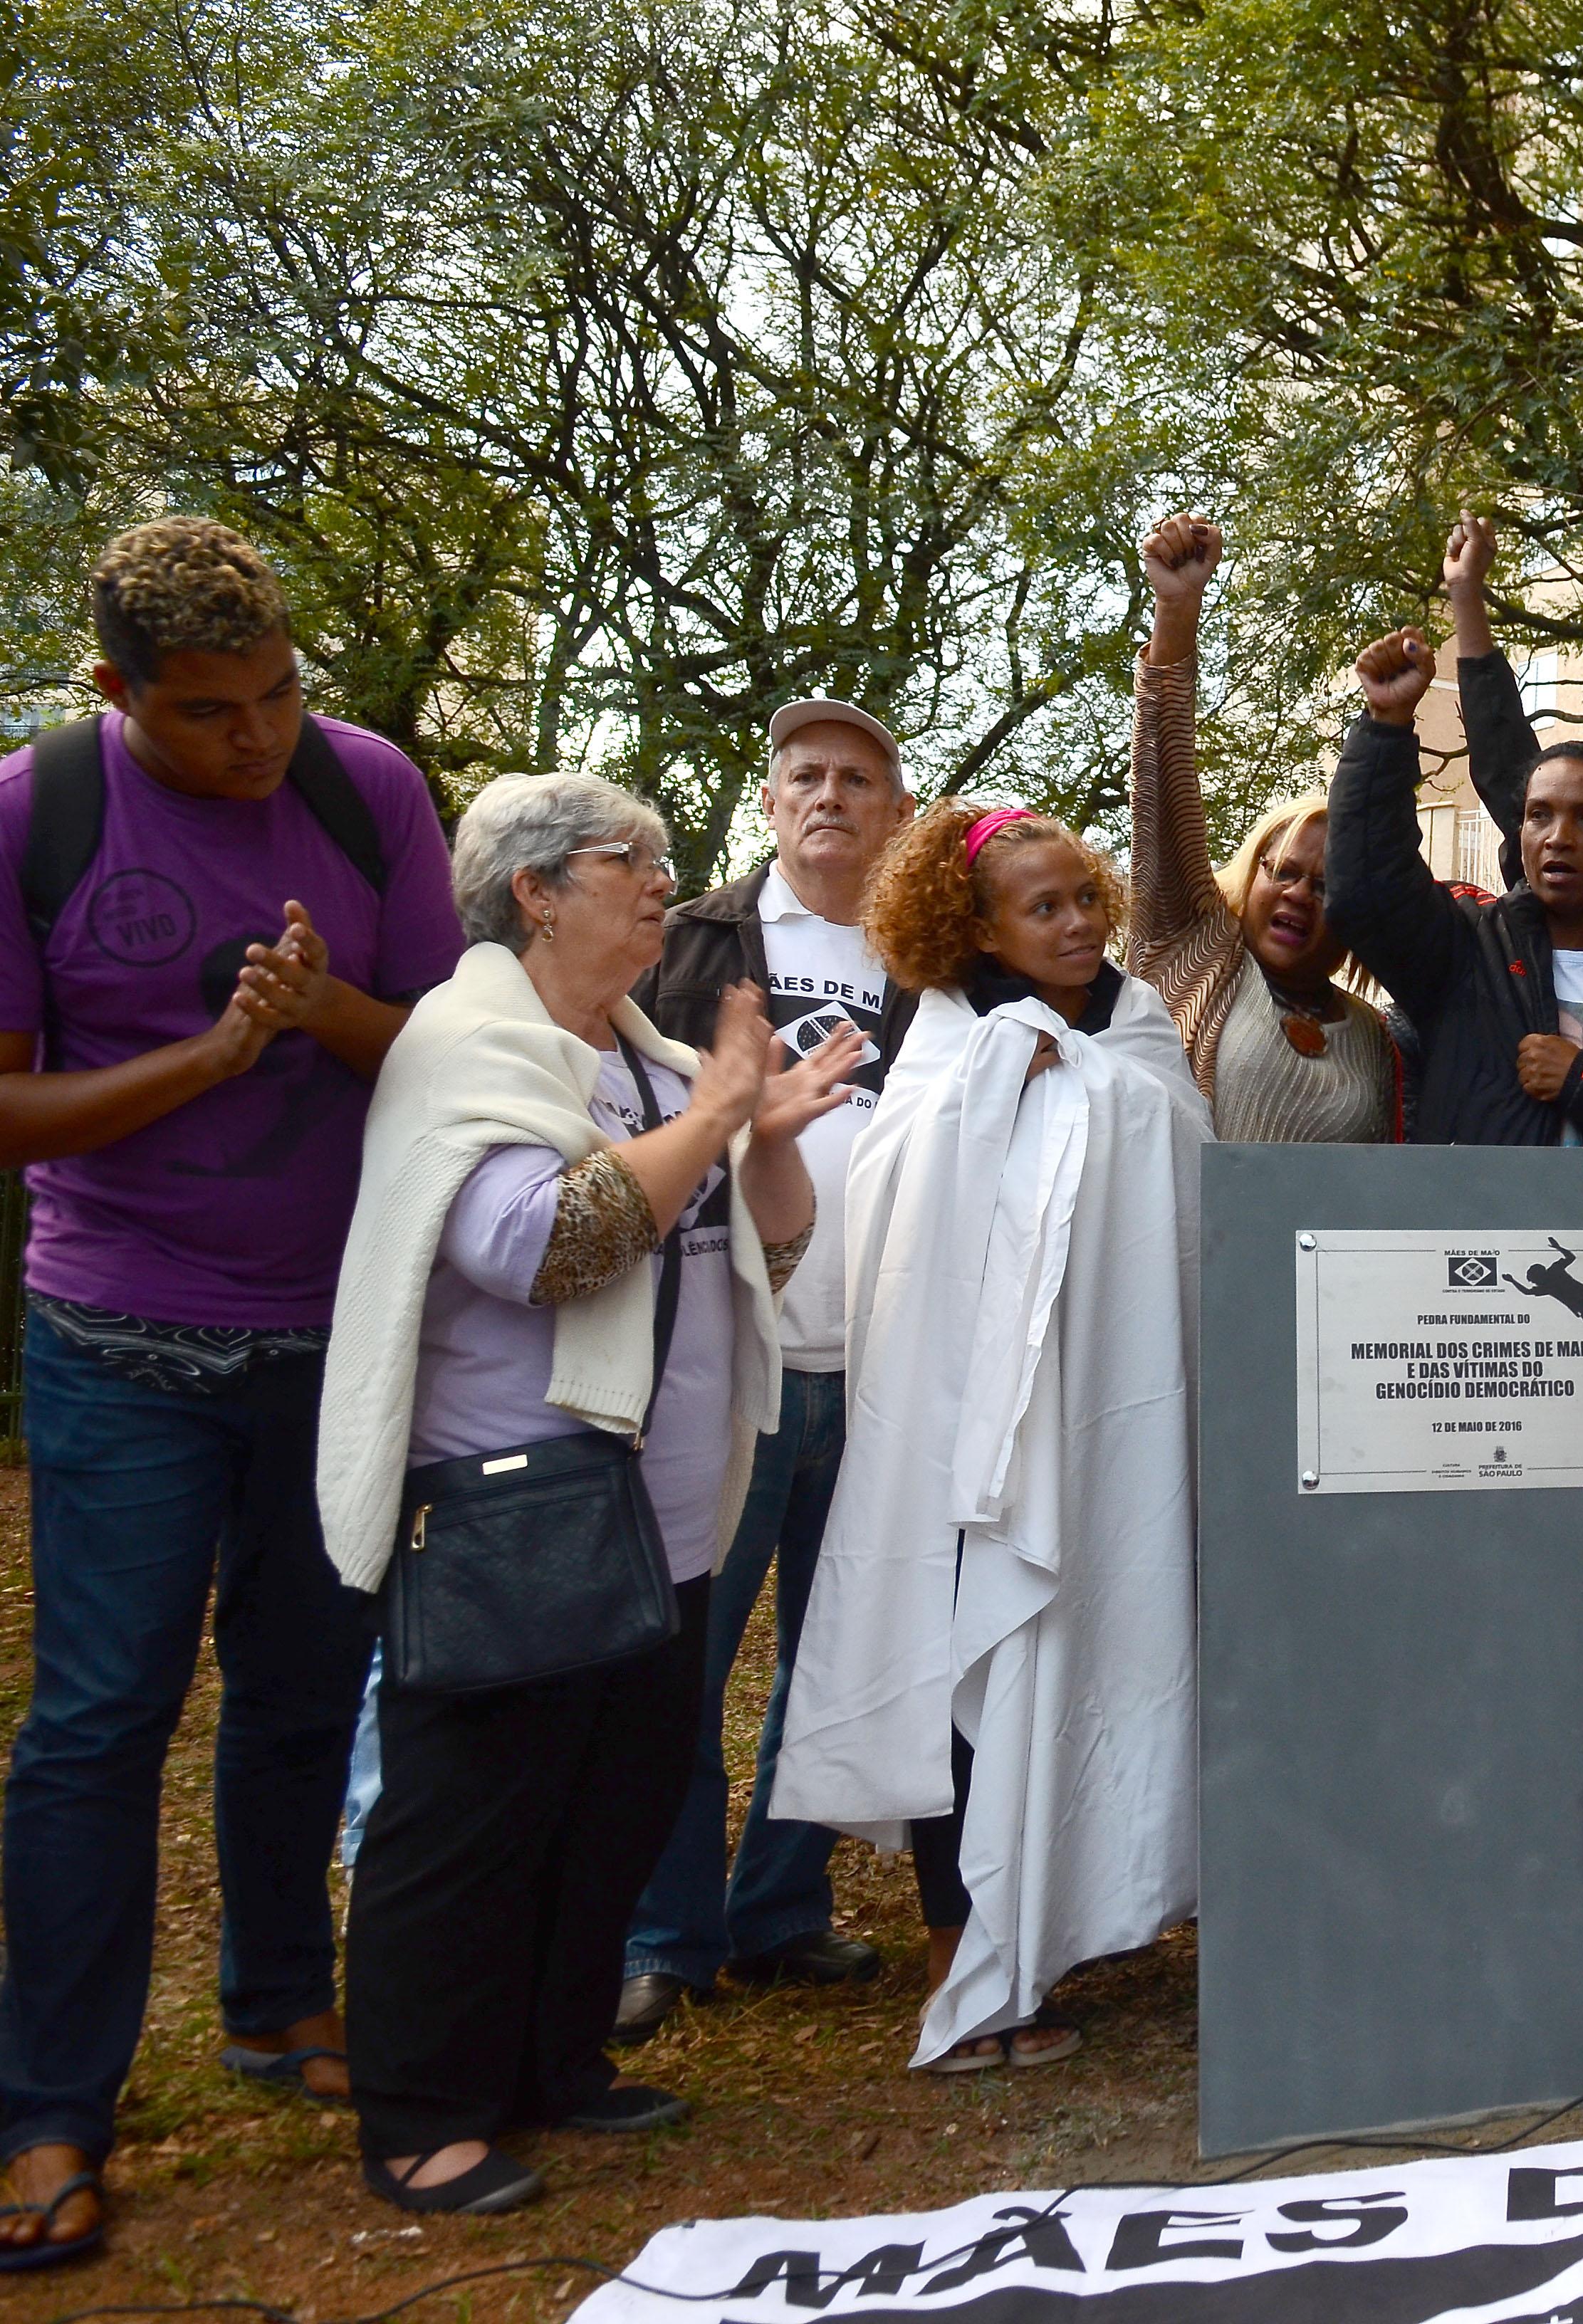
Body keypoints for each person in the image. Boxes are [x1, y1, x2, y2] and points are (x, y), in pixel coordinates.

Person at [0, 519, 465, 2271]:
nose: (256, 740)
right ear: (116, 688)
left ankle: (280, 2006)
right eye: (209, 713)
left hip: (327, 1333)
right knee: (100, 1722)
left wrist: (319, 1007)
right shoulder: (34, 812)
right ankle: (49, 2104)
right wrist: (209, 1054)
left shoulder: (366, 792)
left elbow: (443, 1044)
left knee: (297, 1697)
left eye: (277, 696)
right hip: (117, 1337)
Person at [316, 772, 855, 2213]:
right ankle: (423, 2115)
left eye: (665, 861)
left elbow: (766, 1258)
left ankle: (555, 2065)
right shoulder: (468, 1044)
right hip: (513, 1509)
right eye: (635, 862)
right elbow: (548, 1249)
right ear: (536, 889)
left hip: (666, 1521)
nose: (663, 886)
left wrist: (770, 1137)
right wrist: (723, 1113)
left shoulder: (651, 1061)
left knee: (608, 1805)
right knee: (473, 1817)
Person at [770, 799, 1207, 2073]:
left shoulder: (1134, 1023)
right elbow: (898, 1196)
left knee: (1110, 1646)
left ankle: (1090, 1898)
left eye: (1084, 896)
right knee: (979, 1654)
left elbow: (1179, 1161)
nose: (1077, 923)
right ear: (976, 924)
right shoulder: (945, 1041)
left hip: (1111, 1418)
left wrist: (1077, 1085)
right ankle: (965, 1939)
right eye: (1044, 906)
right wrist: (996, 1093)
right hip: (981, 1437)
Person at [615, 698, 915, 2044]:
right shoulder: (692, 947)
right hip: (726, 1354)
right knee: (688, 1648)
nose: (832, 796)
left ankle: (781, 1910)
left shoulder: (933, 961)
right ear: (771, 797)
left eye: (860, 778)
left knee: (832, 1648)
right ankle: (667, 1931)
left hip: (886, 1357)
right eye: (807, 775)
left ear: (896, 810)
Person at [1326, 522, 1583, 1148]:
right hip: (1484, 1243)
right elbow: (1365, 889)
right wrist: (1385, 726)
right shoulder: (1466, 945)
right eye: (1538, 815)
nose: (1558, 837)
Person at [1123, 514, 1398, 1139]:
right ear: (1253, 872)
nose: (1301, 895)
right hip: (1179, 1238)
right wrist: (1177, 609)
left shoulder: (1374, 1038)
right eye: (1288, 872)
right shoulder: (1191, 950)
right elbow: (1162, 792)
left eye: (1327, 888)